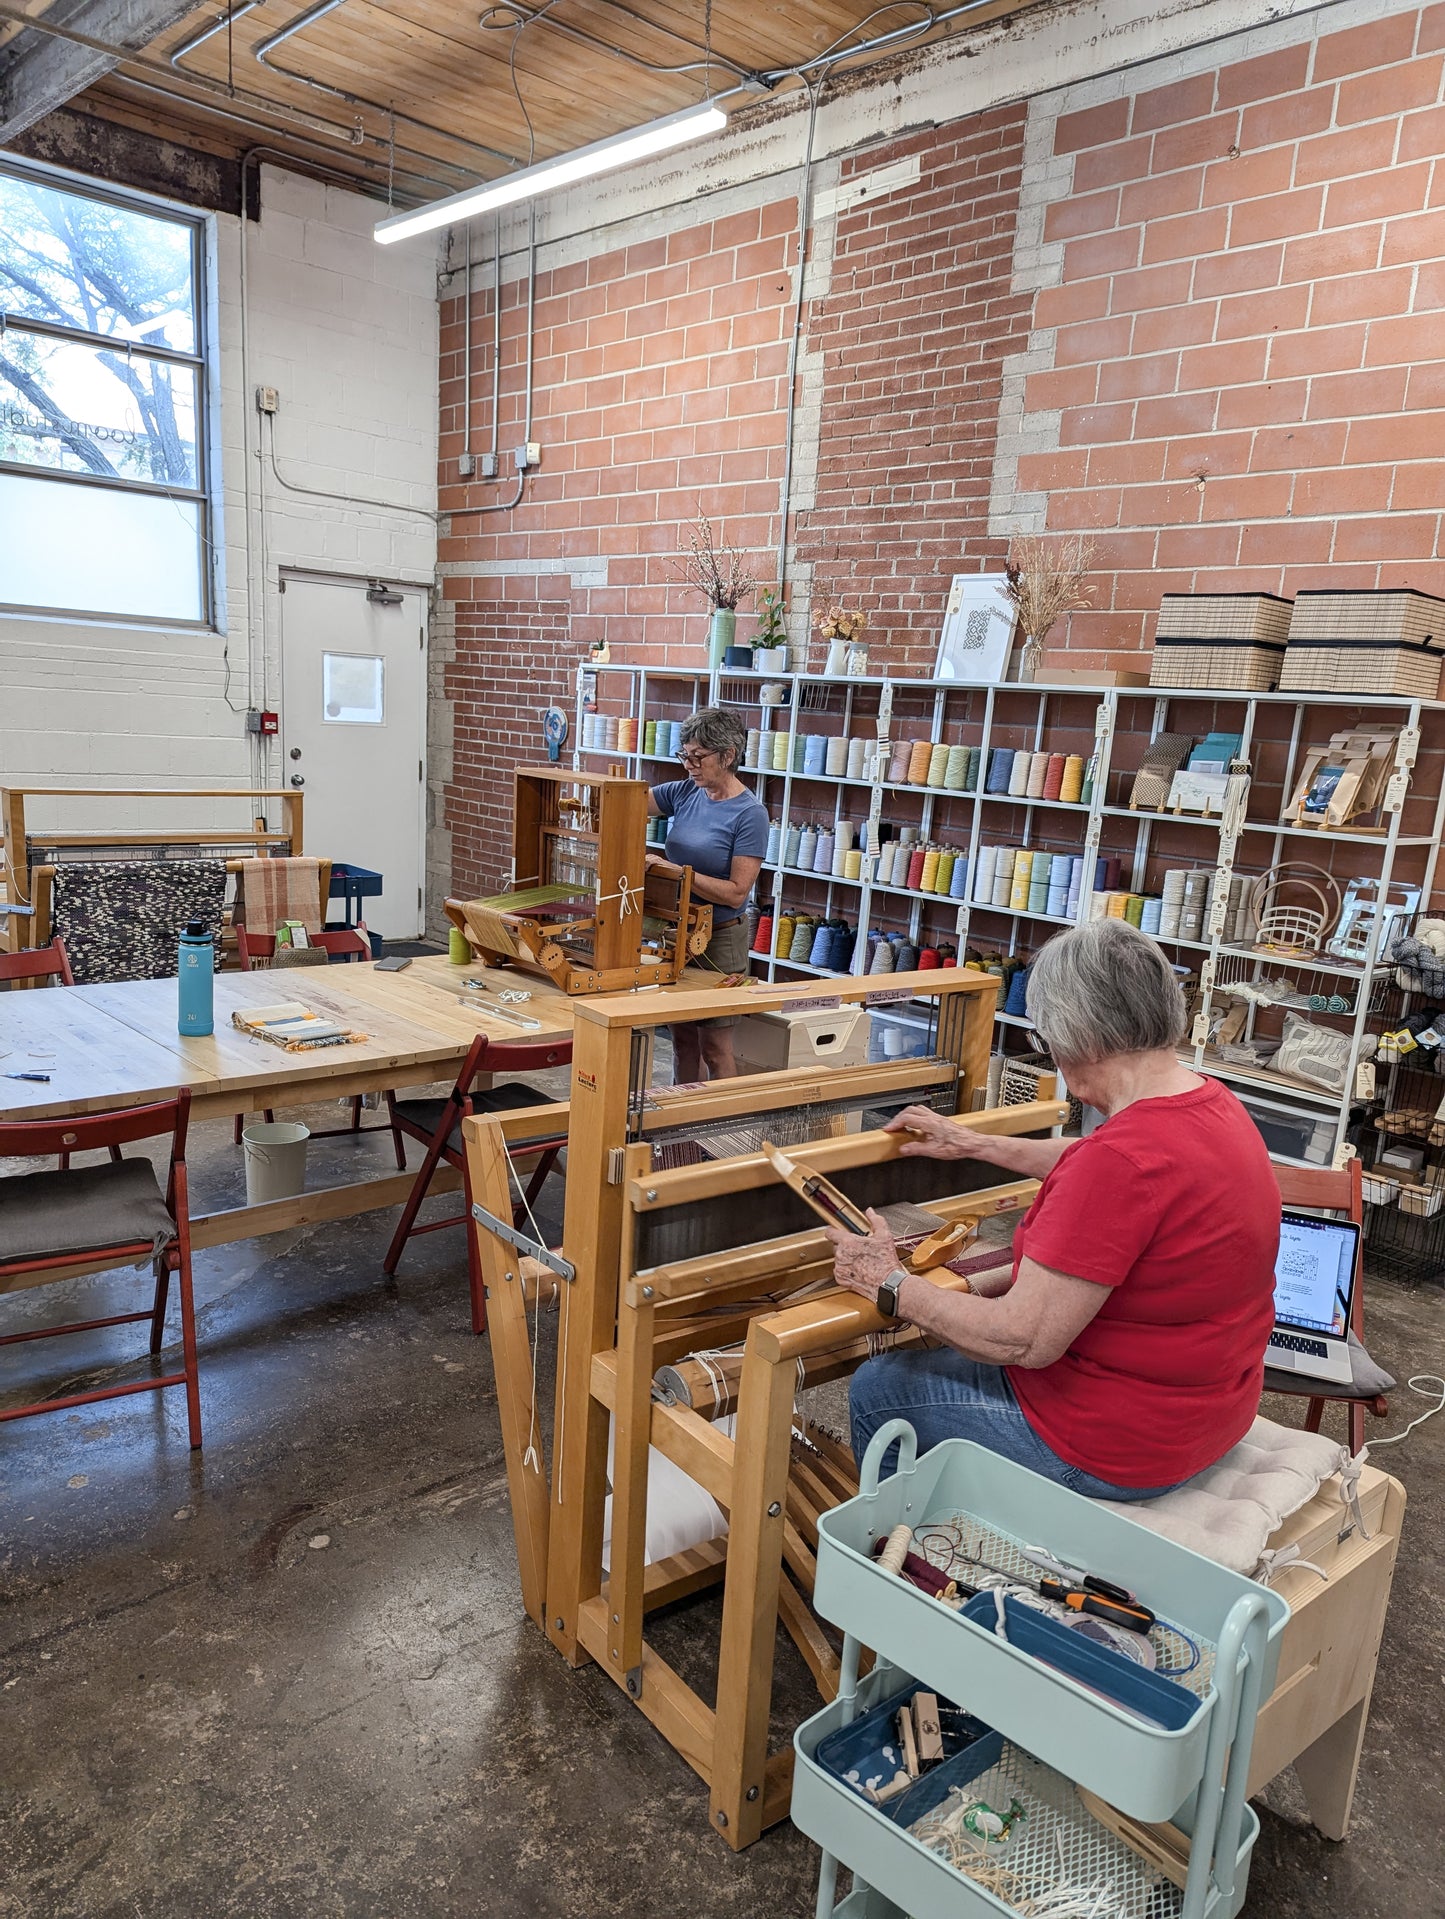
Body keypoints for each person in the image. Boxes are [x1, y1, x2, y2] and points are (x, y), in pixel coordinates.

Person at [828, 918, 1280, 1499]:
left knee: (880, 1388)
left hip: (1116, 1448)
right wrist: (975, 1144)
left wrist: (886, 1281)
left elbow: (1022, 1342)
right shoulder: (1212, 1106)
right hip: (1209, 1417)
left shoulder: (1119, 1163)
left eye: (1047, 1038)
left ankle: (904, 1563)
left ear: (1082, 1037)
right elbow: (1106, 1164)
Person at [647, 706, 769, 1082]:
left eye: (698, 757)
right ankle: (680, 1136)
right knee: (681, 1042)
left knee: (715, 1048)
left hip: (719, 941)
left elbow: (736, 893)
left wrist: (677, 874)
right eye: (684, 755)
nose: (689, 765)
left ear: (728, 755)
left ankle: (722, 1136)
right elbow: (624, 803)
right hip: (677, 934)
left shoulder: (750, 814)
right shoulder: (686, 792)